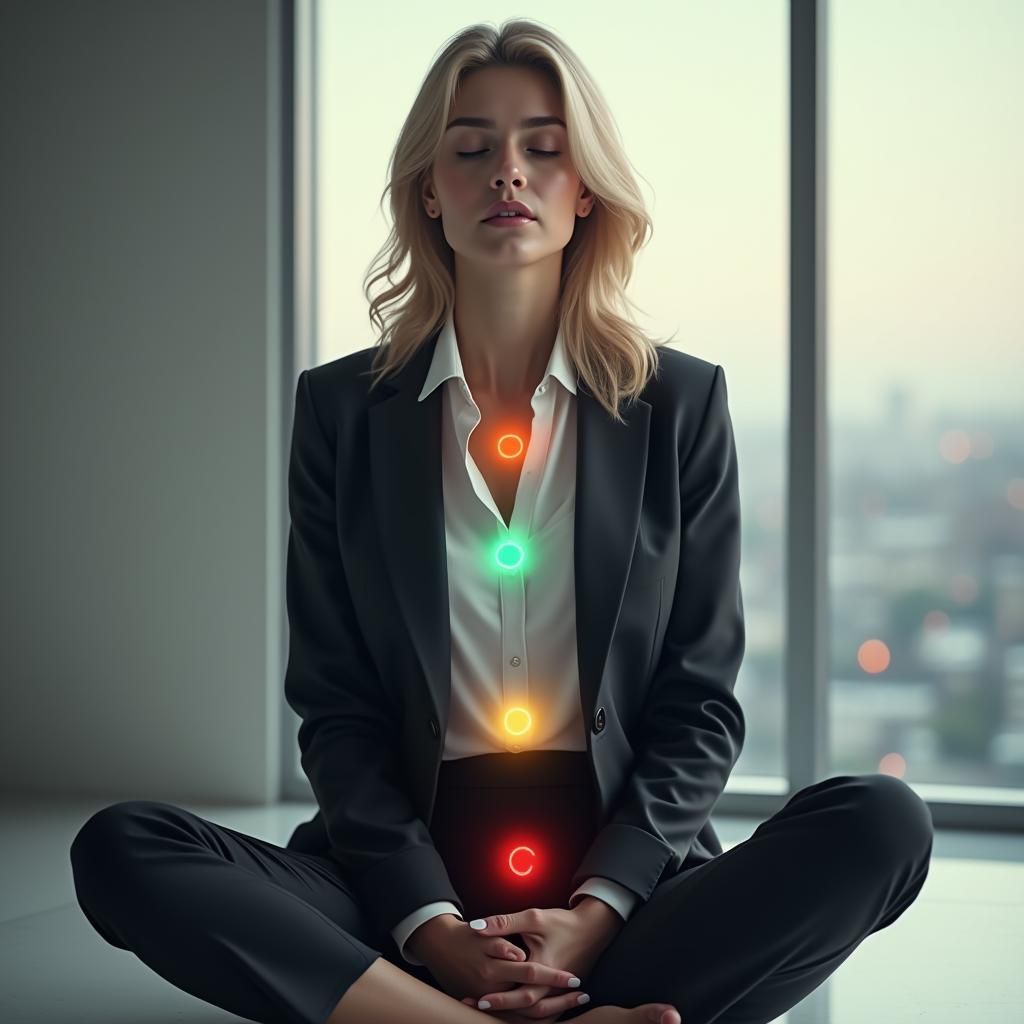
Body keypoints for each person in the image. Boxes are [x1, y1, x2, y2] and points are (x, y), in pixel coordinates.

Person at [69, 18, 934, 1024]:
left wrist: (597, 910)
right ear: (428, 192)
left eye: (544, 149)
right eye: (471, 148)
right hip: (398, 880)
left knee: (883, 822)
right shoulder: (343, 411)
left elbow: (698, 701)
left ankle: (421, 1011)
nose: (507, 174)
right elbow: (337, 708)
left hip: (621, 879)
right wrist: (435, 927)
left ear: (585, 191)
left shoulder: (681, 405)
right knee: (122, 849)